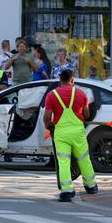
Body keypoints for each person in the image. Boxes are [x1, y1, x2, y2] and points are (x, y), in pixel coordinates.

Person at [44, 70, 97, 202]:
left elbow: (47, 116)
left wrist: (48, 125)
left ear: (60, 80)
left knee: (64, 161)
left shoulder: (52, 95)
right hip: (78, 132)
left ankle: (67, 190)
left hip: (61, 133)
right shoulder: (81, 94)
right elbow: (87, 115)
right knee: (84, 158)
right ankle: (91, 186)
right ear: (73, 80)